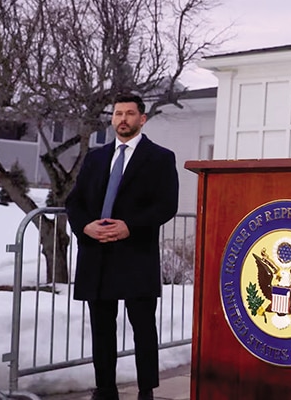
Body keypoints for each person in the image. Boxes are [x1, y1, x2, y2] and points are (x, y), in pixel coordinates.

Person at [66, 94, 179, 400]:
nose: (123, 119)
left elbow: (166, 205)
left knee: (142, 327)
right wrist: (84, 226)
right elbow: (74, 202)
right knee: (102, 328)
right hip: (97, 254)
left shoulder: (160, 158)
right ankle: (105, 389)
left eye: (130, 113)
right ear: (112, 118)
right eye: (118, 114)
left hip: (135, 254)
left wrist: (131, 225)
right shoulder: (96, 158)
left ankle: (145, 390)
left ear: (142, 119)